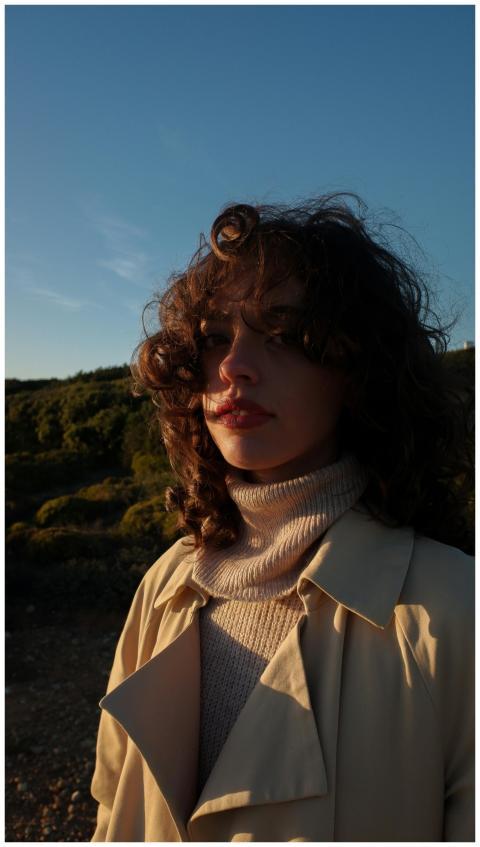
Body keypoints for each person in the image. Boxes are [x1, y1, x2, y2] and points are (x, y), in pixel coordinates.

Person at [90, 195, 474, 842]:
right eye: (215, 338)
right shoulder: (165, 583)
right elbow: (112, 810)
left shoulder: (456, 610)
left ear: (358, 369)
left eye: (285, 333)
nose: (234, 365)